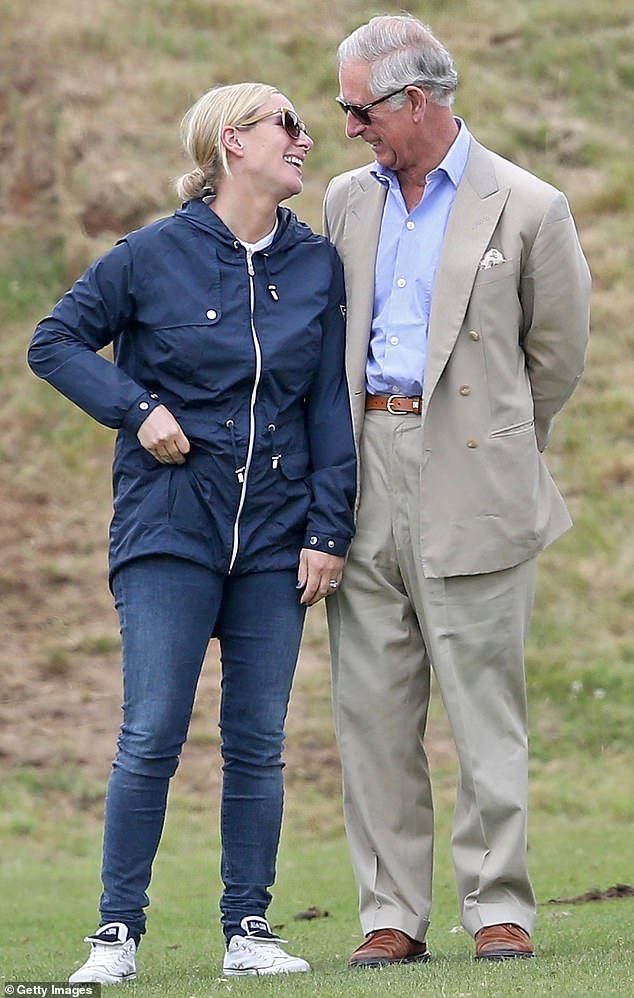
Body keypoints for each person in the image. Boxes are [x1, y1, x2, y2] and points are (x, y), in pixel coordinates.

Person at [28, 81, 356, 983]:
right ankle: (114, 936)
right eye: (285, 123)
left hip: (279, 537)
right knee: (155, 732)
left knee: (257, 741)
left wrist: (329, 528)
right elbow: (53, 342)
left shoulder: (318, 264)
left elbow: (328, 403)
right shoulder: (148, 255)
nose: (303, 137)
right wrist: (137, 410)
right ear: (229, 142)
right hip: (168, 529)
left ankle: (247, 932)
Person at [323, 14, 591, 967]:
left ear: (417, 102)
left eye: (361, 110)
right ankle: (389, 915)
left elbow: (555, 359)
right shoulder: (345, 201)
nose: (349, 127)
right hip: (361, 477)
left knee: (485, 707)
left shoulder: (529, 205)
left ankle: (499, 906)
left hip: (475, 474)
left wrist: (504, 449)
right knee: (372, 709)